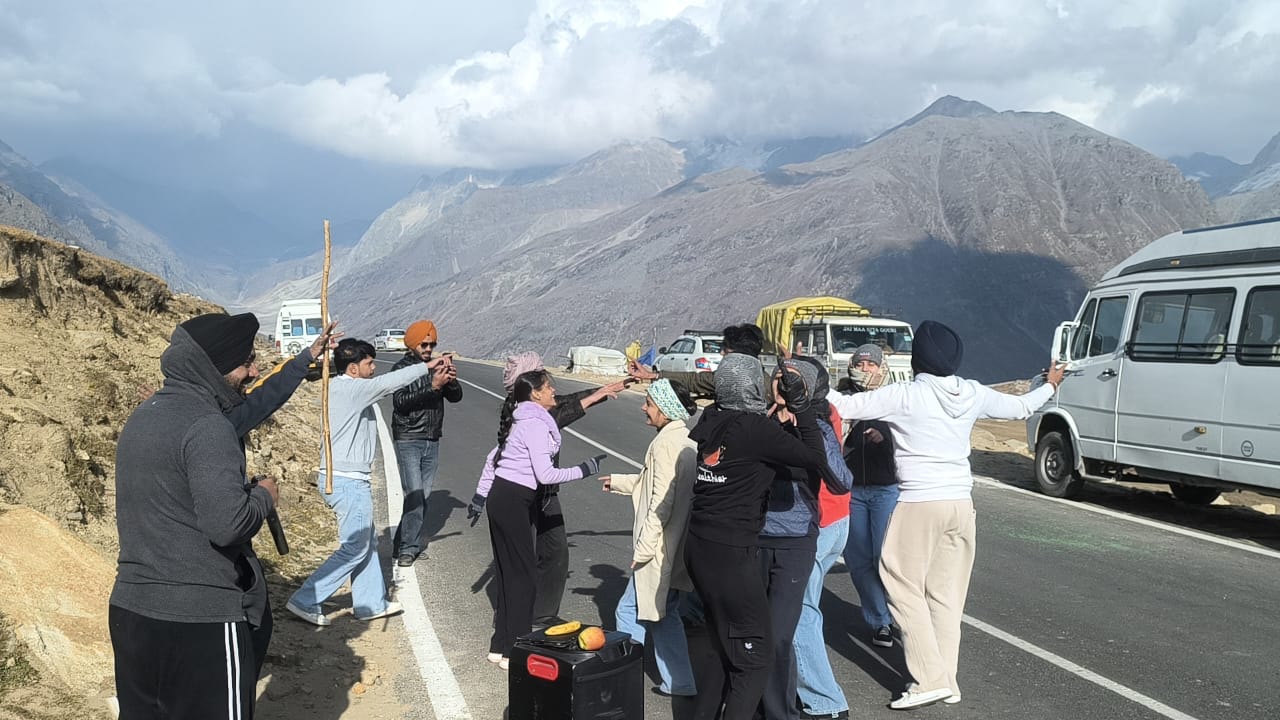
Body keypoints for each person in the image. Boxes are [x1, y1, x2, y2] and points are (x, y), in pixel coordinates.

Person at [827, 321, 1065, 709]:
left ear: (917, 359)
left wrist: (803, 378)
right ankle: (948, 680)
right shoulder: (970, 391)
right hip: (961, 505)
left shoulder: (906, 395)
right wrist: (1051, 384)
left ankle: (927, 680)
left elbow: (846, 405)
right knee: (946, 596)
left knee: (900, 583)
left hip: (919, 502)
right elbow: (1021, 407)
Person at [110, 312, 279, 719]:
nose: (253, 371)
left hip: (132, 612)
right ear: (214, 367)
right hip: (199, 621)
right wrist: (264, 497)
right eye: (246, 362)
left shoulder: (144, 415)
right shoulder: (208, 426)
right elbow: (227, 525)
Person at [684, 352, 839, 719]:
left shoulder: (712, 418)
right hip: (731, 553)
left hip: (700, 546)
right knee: (756, 660)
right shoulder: (756, 429)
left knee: (726, 649)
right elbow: (816, 458)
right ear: (754, 385)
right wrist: (802, 406)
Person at [287, 339, 446, 626]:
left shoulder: (341, 387)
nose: (373, 368)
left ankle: (370, 603)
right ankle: (306, 599)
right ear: (353, 368)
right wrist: (426, 367)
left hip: (345, 478)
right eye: (369, 363)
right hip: (347, 481)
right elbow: (390, 383)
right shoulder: (352, 389)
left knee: (367, 542)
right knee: (356, 547)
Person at [469, 351, 629, 628]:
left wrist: (600, 393)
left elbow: (564, 404)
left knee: (548, 554)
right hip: (527, 496)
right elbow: (561, 412)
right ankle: (516, 623)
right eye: (542, 380)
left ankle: (532, 616)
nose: (551, 385)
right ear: (530, 390)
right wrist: (584, 469)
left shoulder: (531, 411)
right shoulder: (527, 419)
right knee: (527, 562)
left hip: (540, 496)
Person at [482, 369, 607, 669]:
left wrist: (479, 496)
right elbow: (546, 475)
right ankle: (517, 651)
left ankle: (500, 646)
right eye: (549, 387)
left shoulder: (521, 419)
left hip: (502, 498)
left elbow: (494, 458)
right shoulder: (536, 425)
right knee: (524, 578)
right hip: (513, 500)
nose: (554, 392)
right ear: (535, 394)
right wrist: (585, 469)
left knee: (510, 574)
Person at [757, 357, 851, 720]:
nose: (782, 385)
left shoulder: (818, 426)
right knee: (759, 631)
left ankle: (820, 704)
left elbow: (842, 480)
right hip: (756, 539)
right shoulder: (760, 420)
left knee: (787, 628)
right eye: (779, 378)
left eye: (792, 381)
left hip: (797, 538)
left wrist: (804, 418)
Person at [602, 379, 699, 697]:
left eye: (649, 403)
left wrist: (643, 549)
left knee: (628, 611)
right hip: (673, 546)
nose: (644, 407)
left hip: (659, 549)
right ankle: (680, 682)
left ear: (665, 408)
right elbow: (651, 484)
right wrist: (618, 481)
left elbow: (662, 501)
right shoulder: (683, 439)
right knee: (665, 615)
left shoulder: (665, 445)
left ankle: (623, 680)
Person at [787, 356, 856, 720]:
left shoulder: (809, 420)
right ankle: (802, 687)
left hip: (819, 521)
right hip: (838, 518)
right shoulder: (825, 408)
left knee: (800, 612)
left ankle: (824, 700)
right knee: (804, 607)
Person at [840, 344, 901, 651]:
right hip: (852, 490)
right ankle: (880, 621)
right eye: (860, 363)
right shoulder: (843, 397)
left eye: (870, 364)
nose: (865, 369)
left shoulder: (895, 397)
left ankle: (902, 615)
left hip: (885, 488)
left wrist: (884, 437)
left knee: (886, 558)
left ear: (881, 367)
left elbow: (909, 438)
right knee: (858, 559)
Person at [391, 319, 463, 567]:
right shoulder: (401, 369)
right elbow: (400, 402)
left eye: (431, 344)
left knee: (422, 495)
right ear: (413, 344)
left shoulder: (437, 366)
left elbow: (456, 398)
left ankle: (401, 541)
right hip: (409, 438)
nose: (428, 349)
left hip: (432, 438)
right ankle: (408, 549)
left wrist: (450, 381)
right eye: (424, 344)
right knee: (415, 494)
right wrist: (432, 387)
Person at [628, 323, 766, 398]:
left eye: (726, 350)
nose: (721, 353)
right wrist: (651, 375)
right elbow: (694, 380)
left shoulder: (768, 385)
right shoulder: (722, 379)